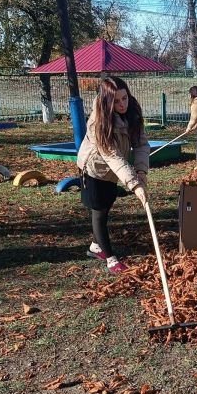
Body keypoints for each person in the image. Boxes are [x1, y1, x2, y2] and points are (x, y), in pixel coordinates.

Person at [76, 76, 150, 274]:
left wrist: (141, 171)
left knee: (107, 203)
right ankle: (110, 259)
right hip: (94, 169)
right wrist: (134, 184)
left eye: (124, 98)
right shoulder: (97, 121)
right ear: (107, 102)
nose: (122, 104)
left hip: (113, 171)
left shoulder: (133, 110)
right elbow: (113, 156)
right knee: (99, 211)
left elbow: (141, 144)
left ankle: (95, 246)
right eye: (116, 101)